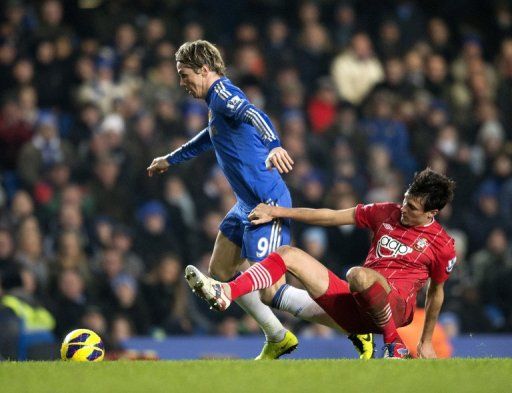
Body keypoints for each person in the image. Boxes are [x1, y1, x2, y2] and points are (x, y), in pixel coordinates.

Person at [147, 40, 315, 359]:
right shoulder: (215, 104)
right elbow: (208, 138)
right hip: (244, 205)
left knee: (272, 290)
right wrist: (171, 158)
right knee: (221, 270)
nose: (182, 83)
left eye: (185, 75)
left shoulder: (224, 94)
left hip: (268, 203)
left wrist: (275, 145)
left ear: (205, 70)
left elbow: (256, 114)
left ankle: (351, 324)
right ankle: (277, 335)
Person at [185, 168, 456, 358]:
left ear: (432, 212)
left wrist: (426, 340)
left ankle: (393, 343)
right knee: (287, 255)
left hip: (396, 309)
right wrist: (278, 211)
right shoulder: (386, 211)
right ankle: (226, 292)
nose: (404, 209)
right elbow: (328, 216)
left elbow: (436, 291)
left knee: (358, 275)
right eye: (406, 200)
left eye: (412, 208)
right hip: (358, 304)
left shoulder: (442, 244)